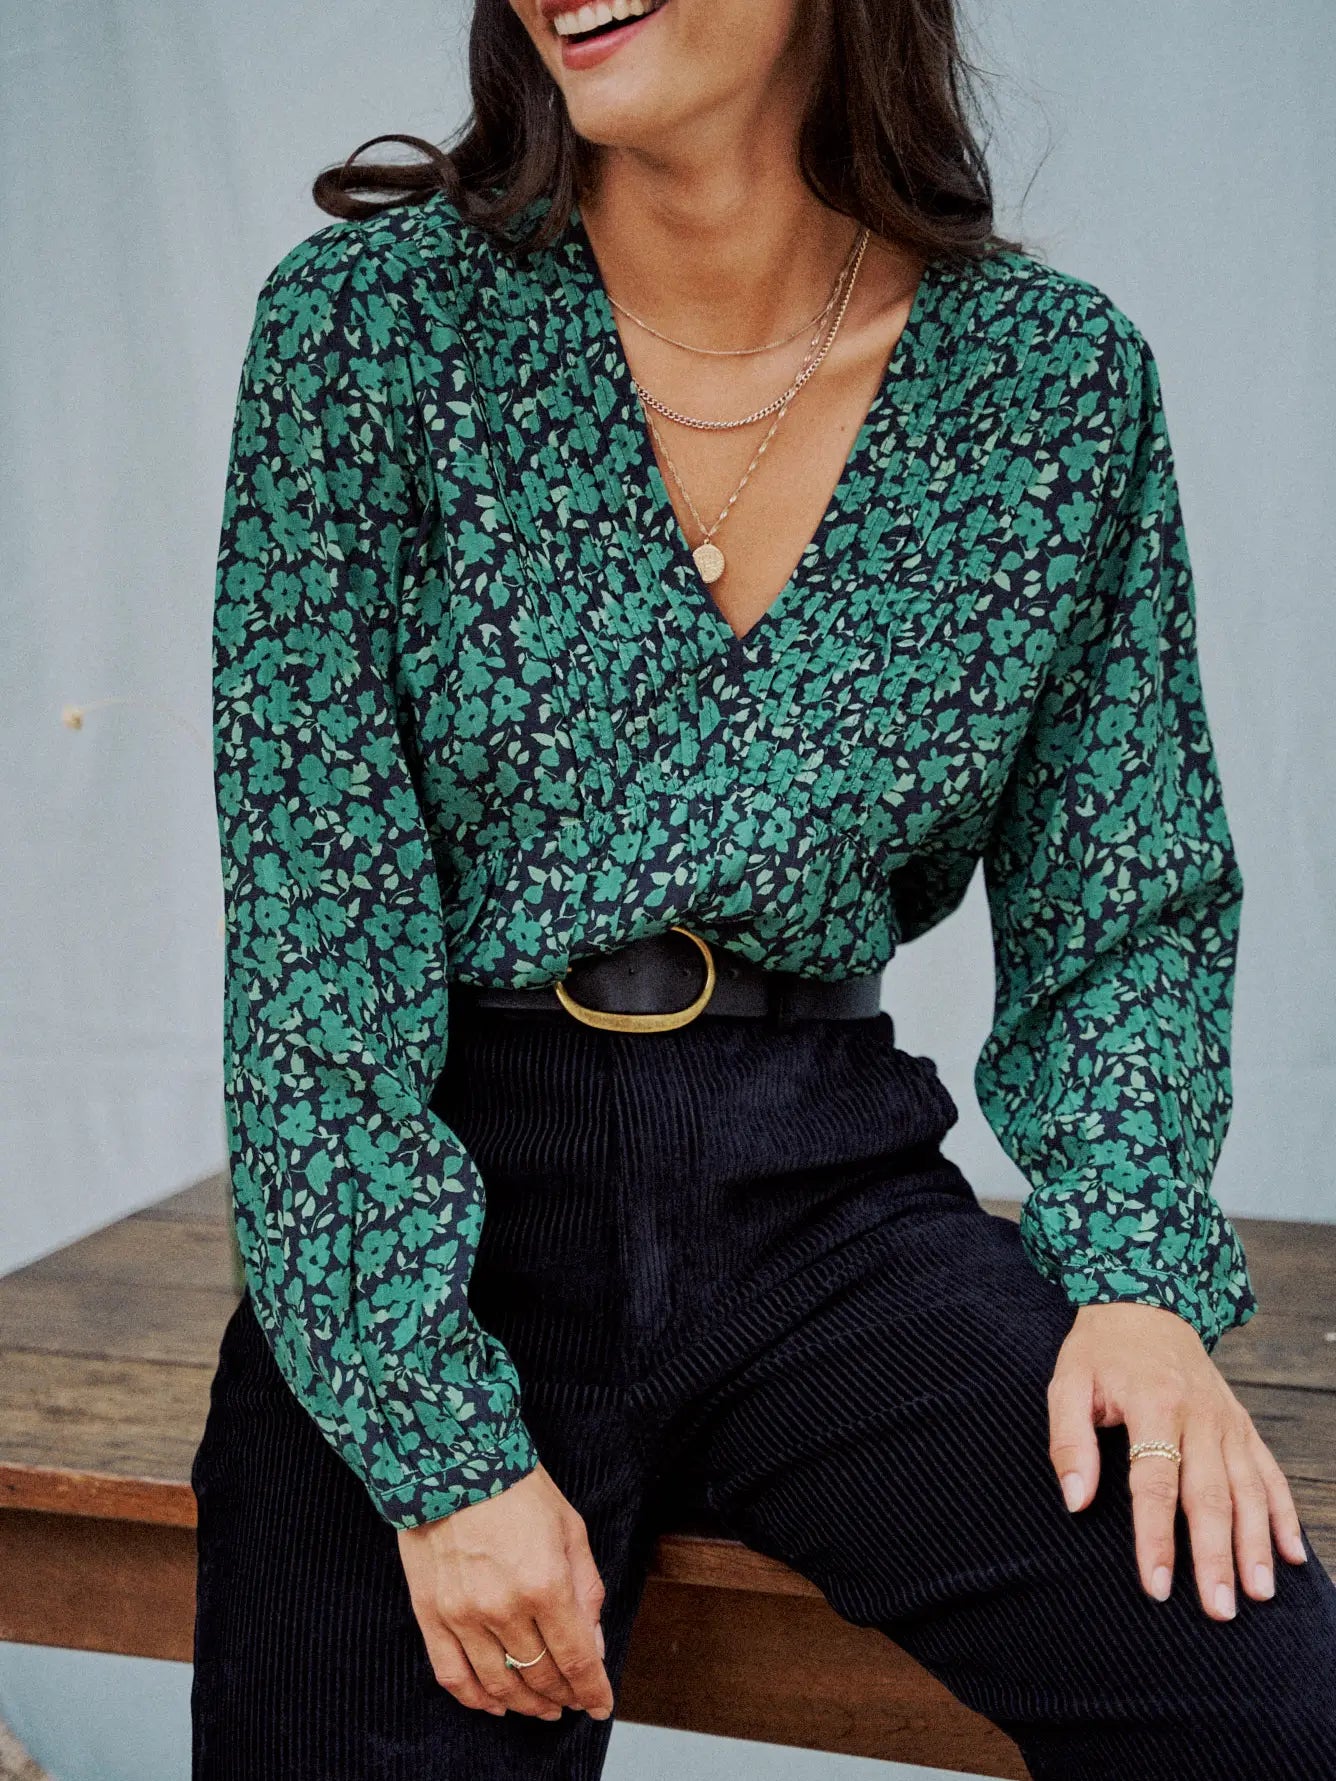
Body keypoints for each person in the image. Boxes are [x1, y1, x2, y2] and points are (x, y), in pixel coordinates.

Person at [190, 0, 1336, 1775]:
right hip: (448, 1210)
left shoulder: (1050, 388)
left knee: (1269, 1706)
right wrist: (437, 1443)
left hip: (824, 1200)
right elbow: (311, 949)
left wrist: (1135, 1279)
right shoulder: (367, 339)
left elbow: (1129, 896)